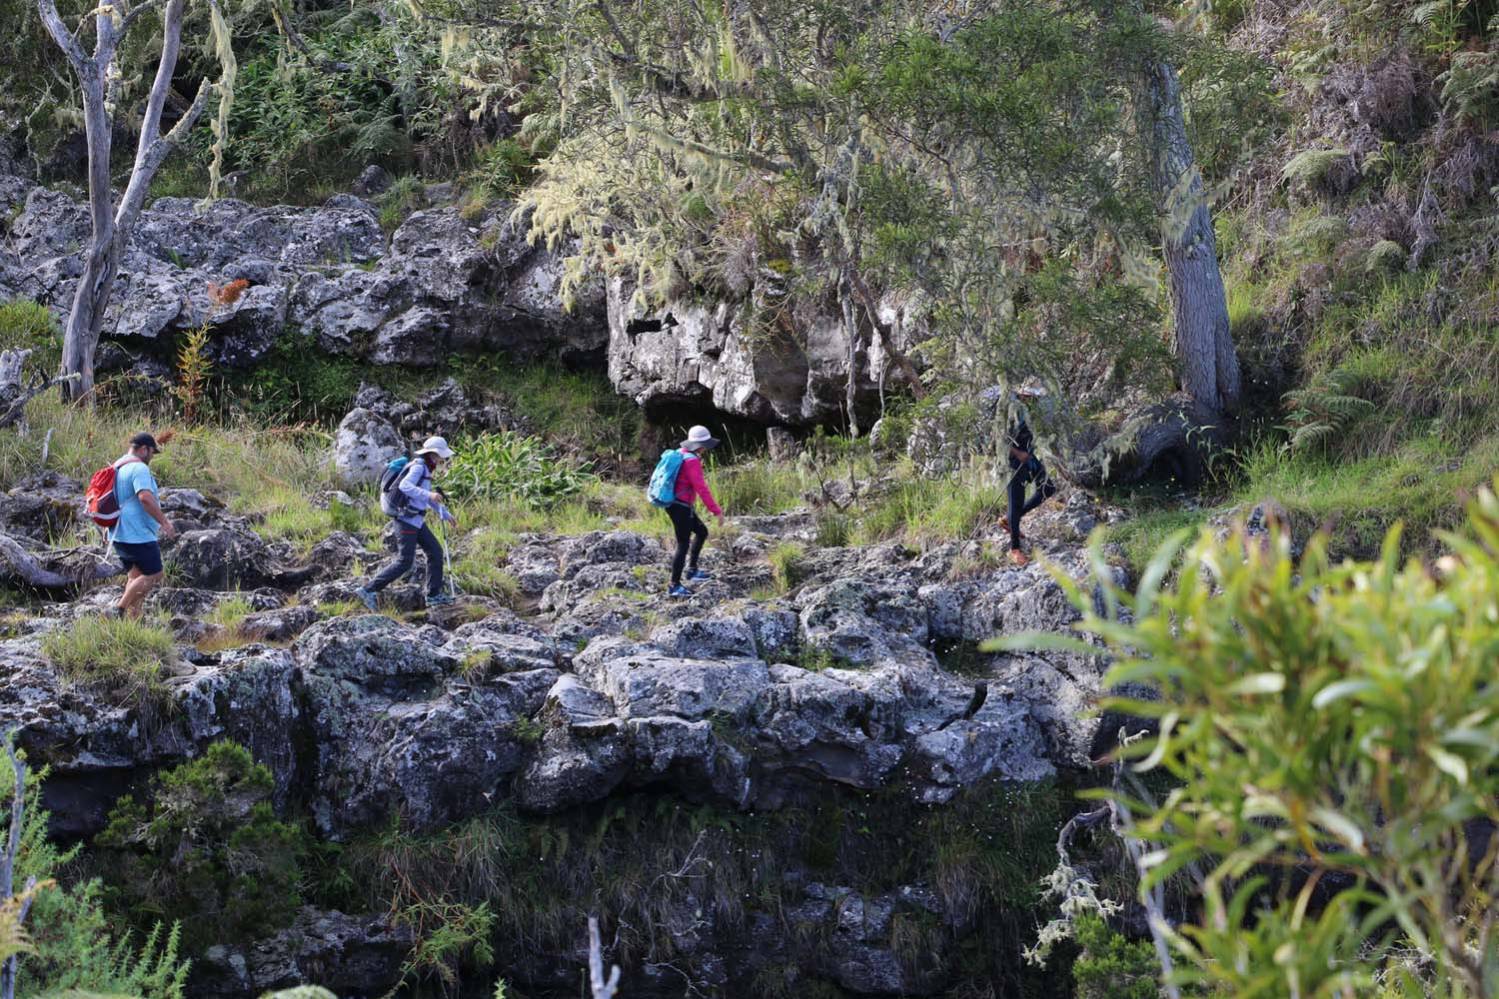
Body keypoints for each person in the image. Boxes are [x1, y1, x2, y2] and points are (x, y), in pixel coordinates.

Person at [357, 436, 458, 610]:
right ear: (434, 454)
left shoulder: (426, 468)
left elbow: (424, 495)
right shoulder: (419, 467)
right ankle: (368, 590)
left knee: (435, 551)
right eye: (442, 455)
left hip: (415, 520)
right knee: (405, 561)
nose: (443, 459)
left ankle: (433, 596)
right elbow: (405, 486)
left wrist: (445, 514)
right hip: (406, 521)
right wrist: (430, 495)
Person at [111, 432, 177, 619]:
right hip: (137, 533)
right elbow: (145, 498)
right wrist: (164, 522)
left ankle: (134, 619)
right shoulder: (139, 468)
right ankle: (119, 609)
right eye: (151, 452)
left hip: (118, 532)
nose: (152, 457)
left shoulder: (118, 465)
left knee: (136, 576)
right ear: (144, 449)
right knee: (155, 574)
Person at [998, 387, 1058, 567]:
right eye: (1028, 395)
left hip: (1029, 458)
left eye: (1034, 396)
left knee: (1048, 488)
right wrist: (1017, 453)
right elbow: (998, 439)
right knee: (1015, 502)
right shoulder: (1007, 411)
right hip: (1011, 463)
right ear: (1020, 394)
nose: (1032, 399)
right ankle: (1014, 549)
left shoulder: (1031, 411)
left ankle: (1010, 519)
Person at [666, 425, 725, 598]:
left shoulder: (680, 453)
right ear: (701, 444)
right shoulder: (691, 461)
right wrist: (716, 511)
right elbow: (701, 488)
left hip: (677, 504)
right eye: (705, 444)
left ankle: (692, 570)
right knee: (683, 543)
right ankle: (674, 585)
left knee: (701, 531)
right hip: (681, 506)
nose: (706, 448)